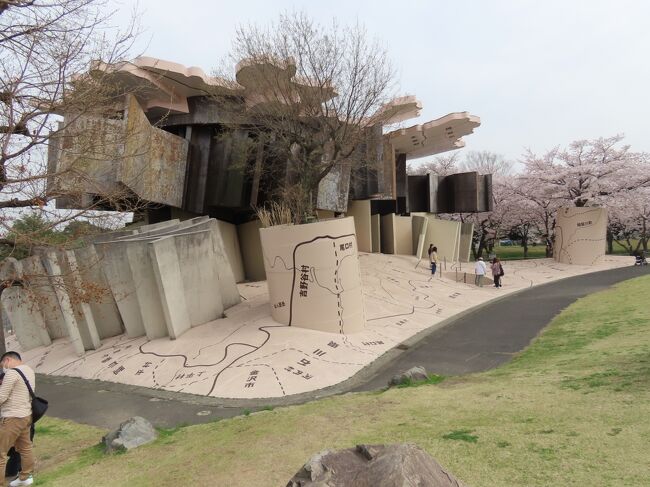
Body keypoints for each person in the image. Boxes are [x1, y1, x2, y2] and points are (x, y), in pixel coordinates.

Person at [0, 351, 36, 486]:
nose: (4, 367)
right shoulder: (29, 371)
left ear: (7, 360)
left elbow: (2, 397)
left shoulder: (11, 373)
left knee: (1, 452)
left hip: (12, 418)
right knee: (26, 448)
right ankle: (25, 477)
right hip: (26, 416)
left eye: (3, 364)